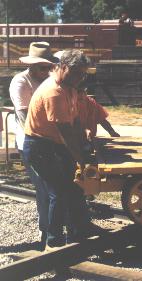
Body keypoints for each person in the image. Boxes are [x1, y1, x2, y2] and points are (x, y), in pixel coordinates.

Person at [22, 49, 98, 249]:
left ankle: (79, 229)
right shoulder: (53, 92)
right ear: (64, 67)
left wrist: (85, 143)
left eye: (83, 74)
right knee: (58, 191)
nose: (81, 78)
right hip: (40, 146)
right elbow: (64, 130)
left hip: (54, 144)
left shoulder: (69, 86)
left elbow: (74, 122)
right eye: (77, 74)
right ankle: (53, 241)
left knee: (74, 186)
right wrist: (80, 158)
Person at [9, 41, 58, 249]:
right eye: (42, 67)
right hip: (31, 140)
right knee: (44, 189)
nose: (46, 71)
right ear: (31, 65)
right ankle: (46, 232)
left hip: (51, 140)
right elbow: (24, 118)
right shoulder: (20, 82)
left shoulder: (47, 80)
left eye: (49, 67)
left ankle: (56, 230)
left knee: (56, 188)